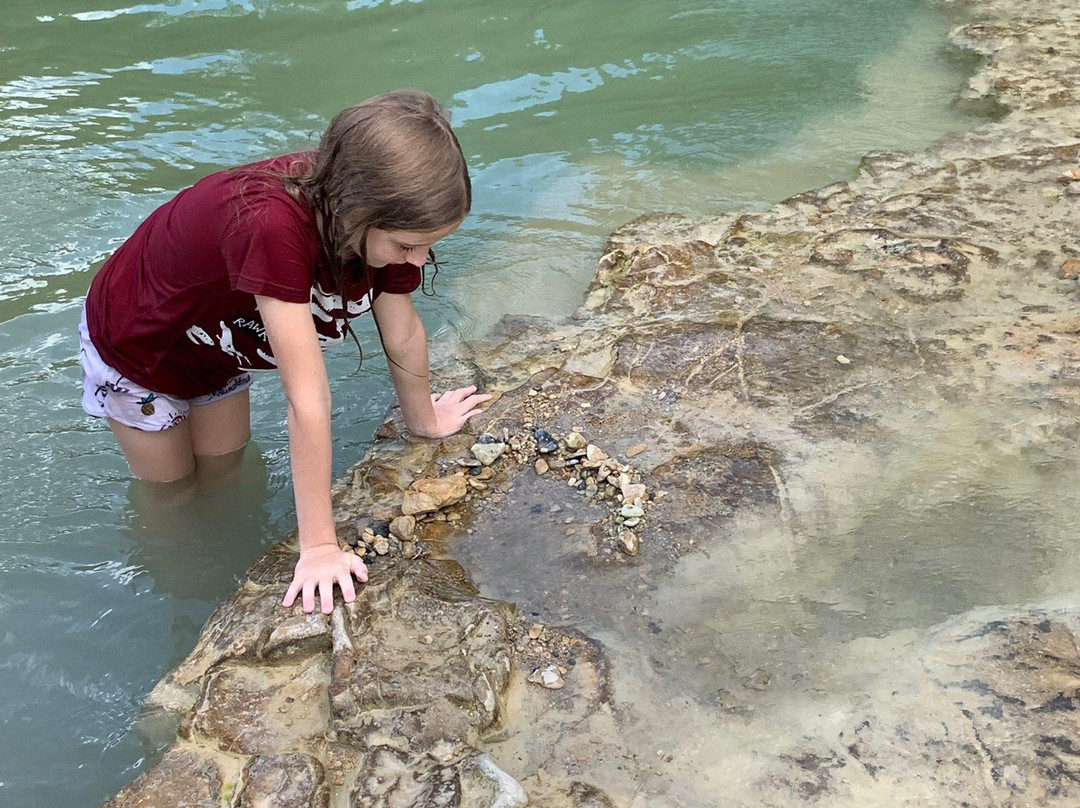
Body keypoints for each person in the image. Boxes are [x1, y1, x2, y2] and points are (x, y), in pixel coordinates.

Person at [79, 88, 491, 615]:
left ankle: (223, 573)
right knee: (174, 490)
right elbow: (307, 399)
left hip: (218, 347)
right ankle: (174, 588)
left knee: (226, 467)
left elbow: (404, 330)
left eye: (428, 244)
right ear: (353, 211)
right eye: (408, 246)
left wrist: (423, 419)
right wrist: (319, 547)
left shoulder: (379, 224)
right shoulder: (271, 226)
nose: (420, 257)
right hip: (140, 350)